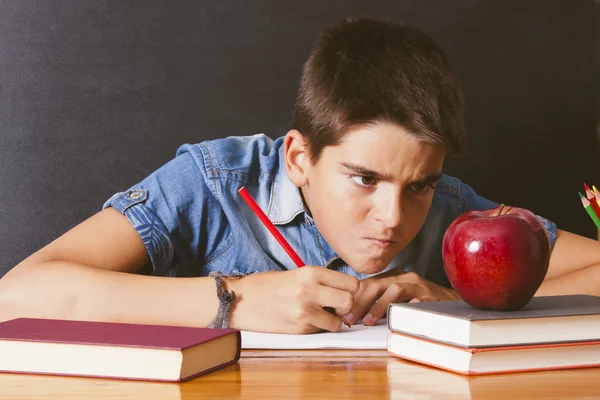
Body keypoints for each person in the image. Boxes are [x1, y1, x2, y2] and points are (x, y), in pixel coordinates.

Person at [1, 18, 599, 334]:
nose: (393, 217)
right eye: (364, 178)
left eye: (418, 185)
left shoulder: (444, 203)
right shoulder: (212, 181)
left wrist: (459, 301)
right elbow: (16, 295)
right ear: (297, 158)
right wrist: (232, 302)